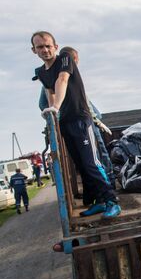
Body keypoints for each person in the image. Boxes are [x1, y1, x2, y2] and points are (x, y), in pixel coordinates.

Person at [31, 31, 121, 219]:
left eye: (48, 45)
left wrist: (56, 107)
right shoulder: (40, 72)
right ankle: (99, 201)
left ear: (55, 46)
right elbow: (50, 92)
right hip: (64, 123)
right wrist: (52, 112)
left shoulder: (64, 59)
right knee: (81, 165)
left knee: (91, 163)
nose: (45, 49)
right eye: (40, 47)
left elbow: (62, 80)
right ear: (34, 51)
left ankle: (112, 201)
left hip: (81, 119)